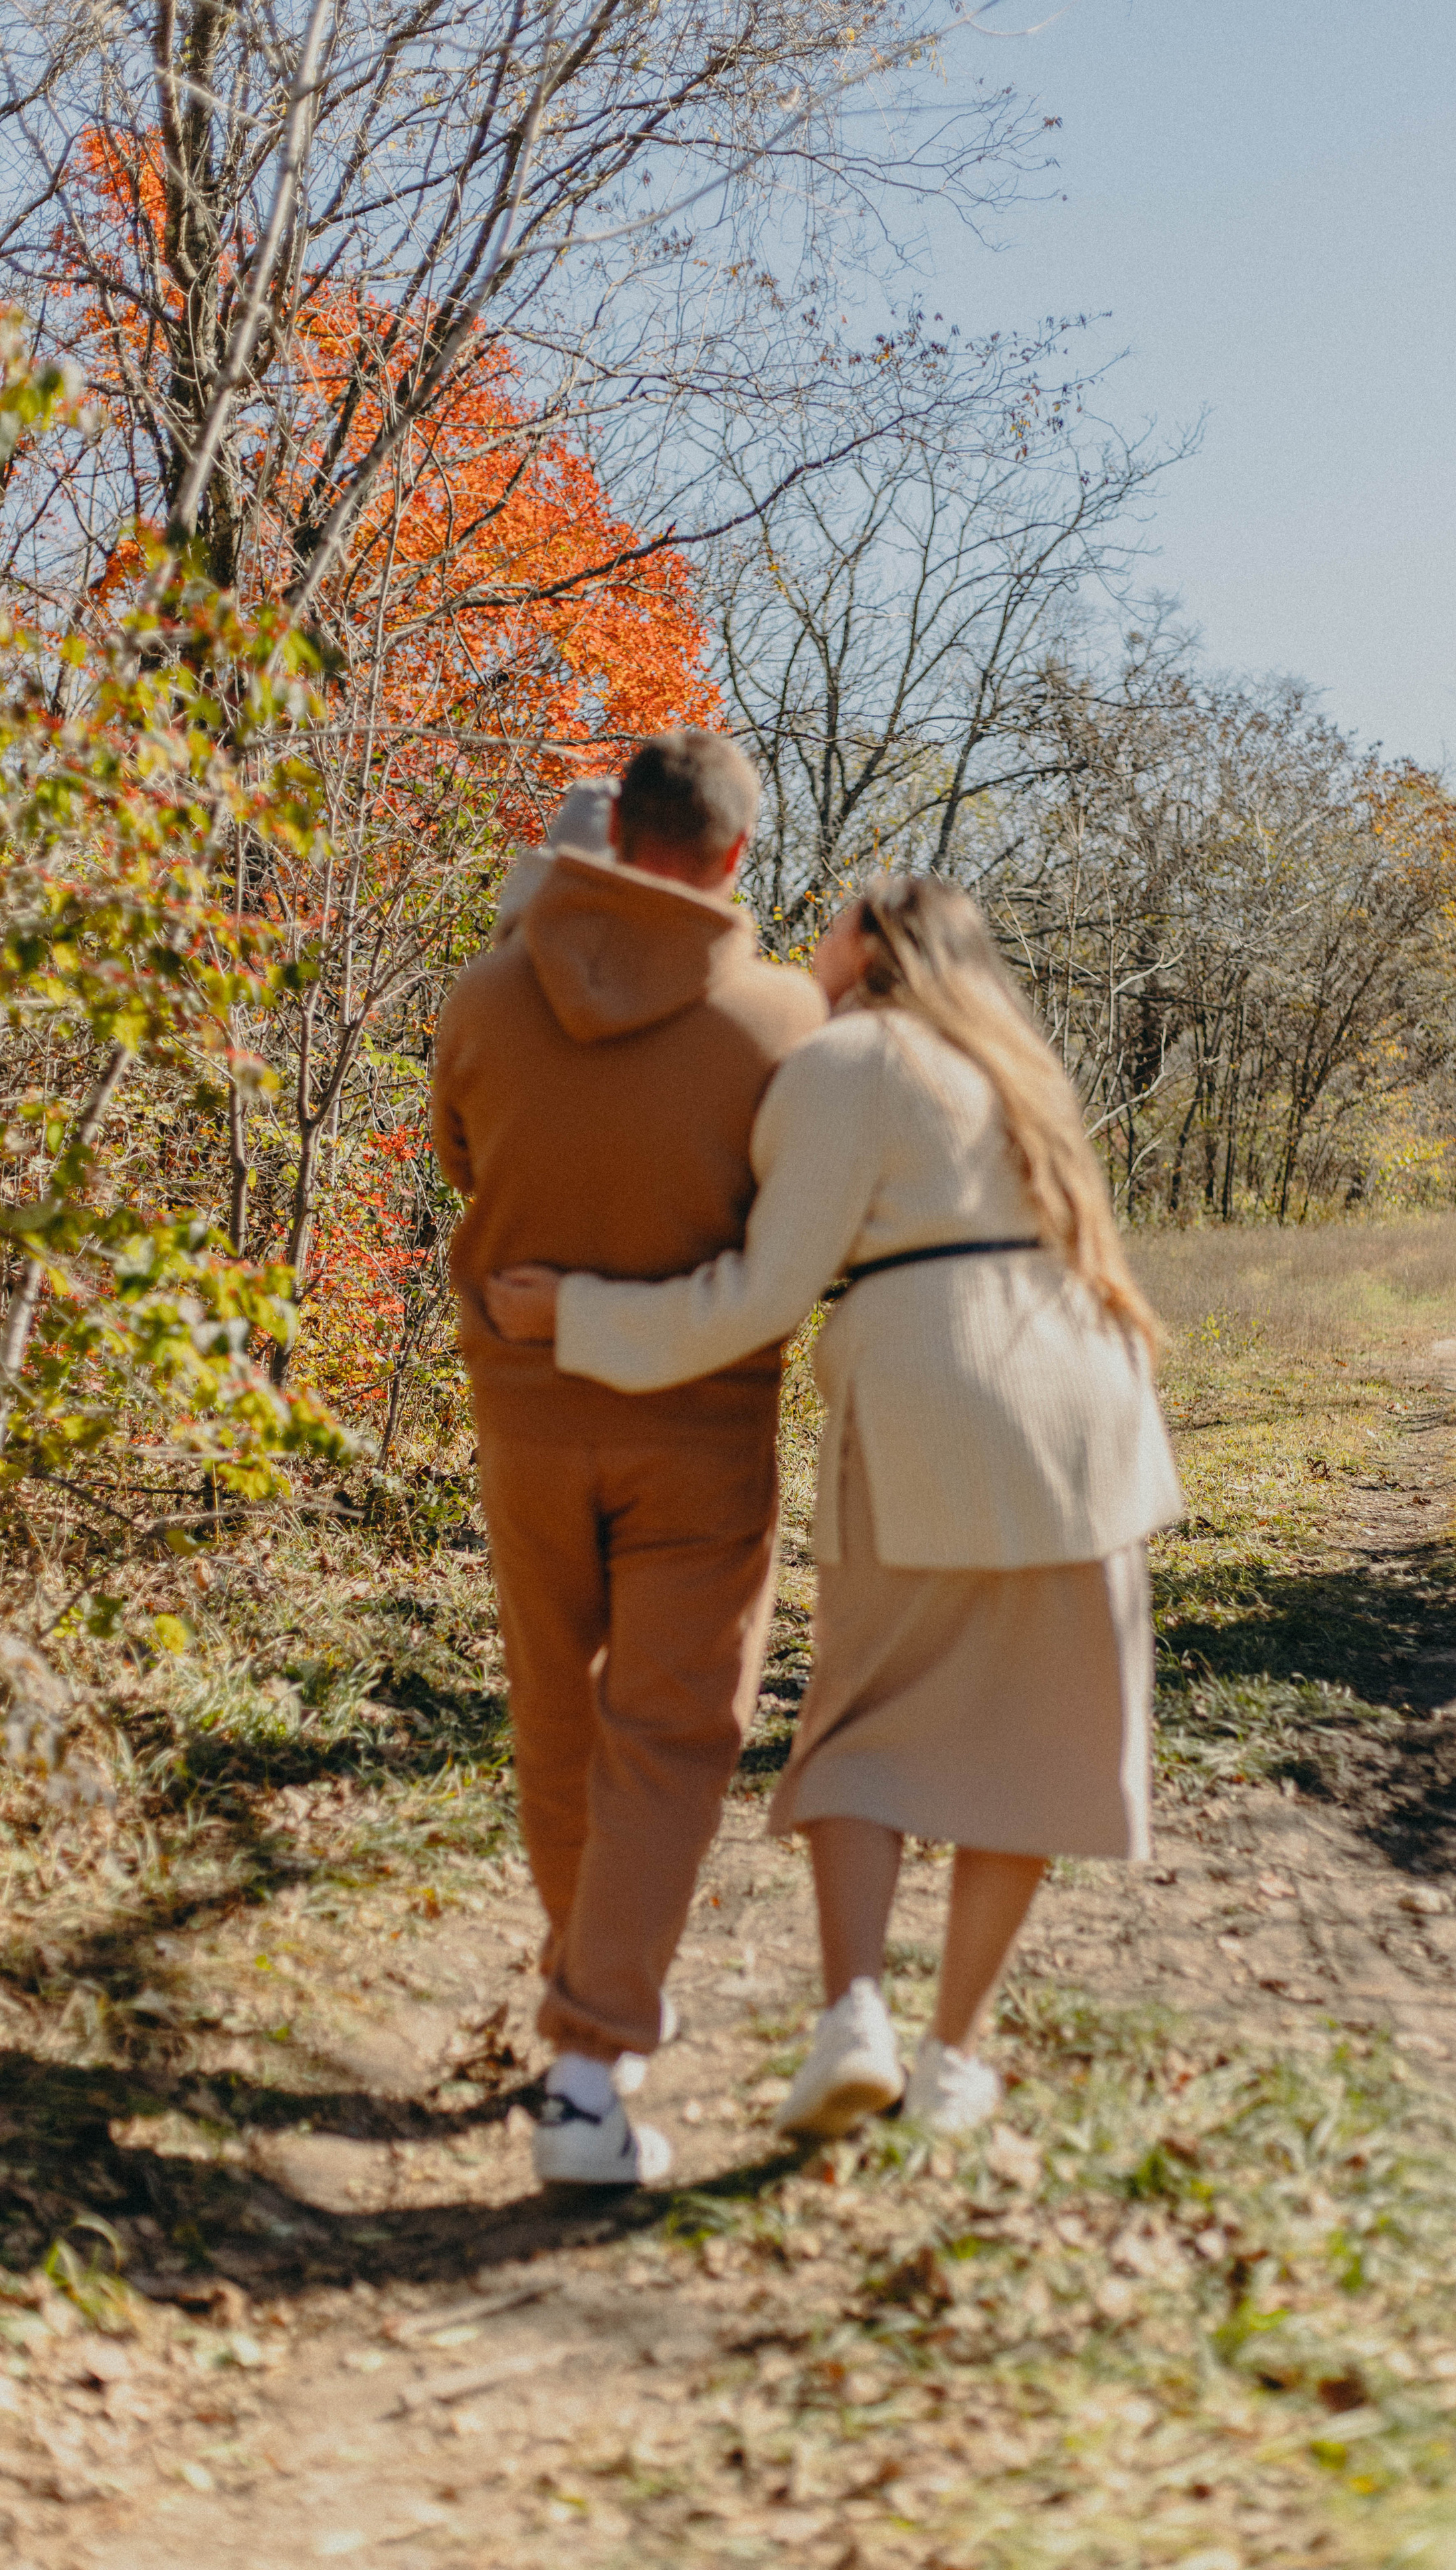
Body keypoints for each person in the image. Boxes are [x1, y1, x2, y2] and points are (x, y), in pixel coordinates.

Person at [484, 876, 1182, 2142]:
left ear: (869, 946)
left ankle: (853, 2016)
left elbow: (759, 1294)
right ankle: (955, 2057)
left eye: (833, 916)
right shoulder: (1022, 1065)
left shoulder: (849, 1059)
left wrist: (573, 1315)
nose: (813, 931)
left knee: (864, 1720)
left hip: (934, 1392)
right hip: (1091, 1401)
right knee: (1038, 1745)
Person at [432, 730, 825, 2186]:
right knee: (666, 1738)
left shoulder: (484, 992)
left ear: (614, 835)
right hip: (701, 1432)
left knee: (556, 1712)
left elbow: (463, 1160)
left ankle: (577, 1991)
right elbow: (795, 1232)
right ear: (731, 855)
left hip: (525, 1412)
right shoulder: (781, 1021)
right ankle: (591, 2072)